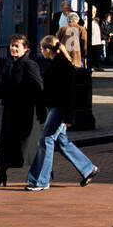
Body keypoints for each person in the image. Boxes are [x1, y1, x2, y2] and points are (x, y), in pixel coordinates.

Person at [26, 36, 98, 191]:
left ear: (48, 50)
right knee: (61, 142)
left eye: (42, 49)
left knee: (46, 140)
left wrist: (68, 116)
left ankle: (40, 181)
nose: (41, 51)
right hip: (56, 108)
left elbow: (69, 93)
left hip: (60, 109)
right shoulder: (57, 64)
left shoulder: (63, 66)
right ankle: (87, 168)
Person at [0, 34, 43, 187]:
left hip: (25, 111)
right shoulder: (9, 64)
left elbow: (38, 87)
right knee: (7, 143)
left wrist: (41, 109)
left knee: (27, 145)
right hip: (10, 110)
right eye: (12, 45)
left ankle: (41, 174)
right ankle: (1, 175)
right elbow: (2, 85)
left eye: (17, 46)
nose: (13, 48)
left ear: (26, 49)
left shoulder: (29, 65)